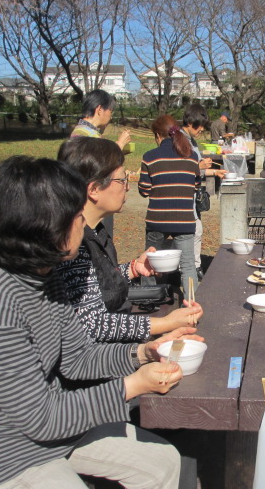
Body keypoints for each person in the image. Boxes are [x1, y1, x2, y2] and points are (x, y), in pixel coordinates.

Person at [0, 156, 186, 489]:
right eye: (76, 215)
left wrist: (144, 353)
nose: (83, 222)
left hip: (38, 427)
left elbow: (77, 357)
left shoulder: (46, 275)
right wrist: (133, 385)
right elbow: (44, 418)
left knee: (161, 465)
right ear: (46, 227)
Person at [56, 137, 204, 343]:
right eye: (122, 180)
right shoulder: (73, 244)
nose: (127, 187)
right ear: (94, 189)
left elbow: (100, 284)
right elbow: (91, 323)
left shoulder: (95, 231)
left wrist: (132, 269)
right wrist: (165, 323)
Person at [139, 115, 200, 293]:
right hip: (184, 220)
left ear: (158, 135)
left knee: (150, 262)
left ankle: (148, 300)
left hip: (157, 219)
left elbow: (144, 190)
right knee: (188, 264)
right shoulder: (192, 156)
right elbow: (196, 186)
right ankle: (191, 302)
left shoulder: (150, 157)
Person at [182, 104, 227, 280]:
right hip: (183, 196)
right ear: (189, 122)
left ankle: (194, 266)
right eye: (198, 126)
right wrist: (198, 166)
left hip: (192, 194)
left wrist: (215, 172)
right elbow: (181, 168)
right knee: (194, 231)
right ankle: (192, 268)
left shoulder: (192, 141)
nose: (201, 129)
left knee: (197, 231)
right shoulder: (180, 141)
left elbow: (198, 169)